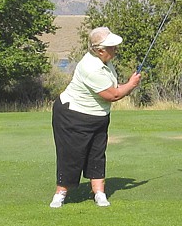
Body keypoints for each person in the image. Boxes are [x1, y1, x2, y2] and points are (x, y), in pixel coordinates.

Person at [50, 27, 141, 208]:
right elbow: (112, 95)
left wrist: (127, 85)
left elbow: (111, 89)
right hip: (72, 115)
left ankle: (99, 192)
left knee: (97, 154)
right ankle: (60, 193)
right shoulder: (90, 67)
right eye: (111, 46)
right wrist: (131, 85)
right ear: (100, 50)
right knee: (71, 155)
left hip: (98, 115)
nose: (115, 48)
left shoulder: (105, 61)